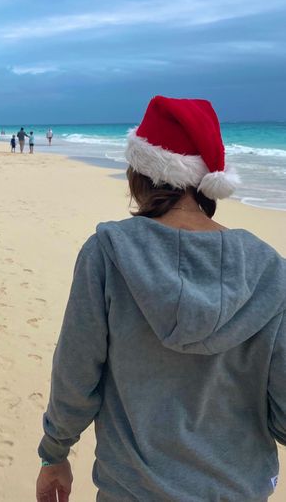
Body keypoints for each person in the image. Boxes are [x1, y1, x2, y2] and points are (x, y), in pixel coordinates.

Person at [36, 96, 286, 502]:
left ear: (141, 173)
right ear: (208, 181)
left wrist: (54, 454)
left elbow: (75, 374)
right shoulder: (270, 271)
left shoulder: (107, 253)